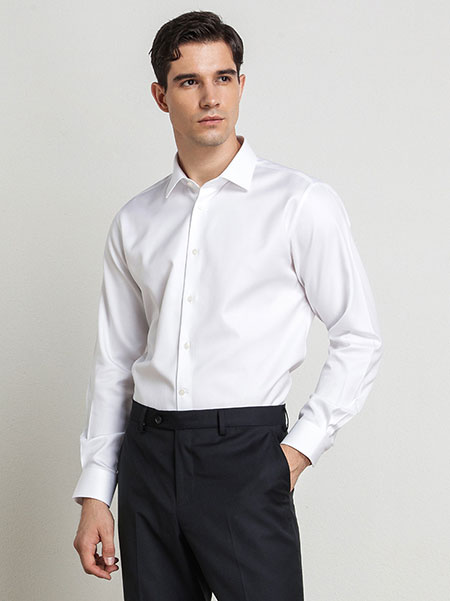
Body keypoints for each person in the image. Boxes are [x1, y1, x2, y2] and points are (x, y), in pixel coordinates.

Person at [72, 10, 383, 601]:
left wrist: (298, 450)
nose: (210, 96)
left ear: (241, 85)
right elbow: (115, 363)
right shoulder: (136, 220)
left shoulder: (300, 203)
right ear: (161, 97)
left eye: (223, 77)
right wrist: (95, 492)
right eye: (189, 81)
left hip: (246, 455)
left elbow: (359, 336)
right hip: (147, 457)